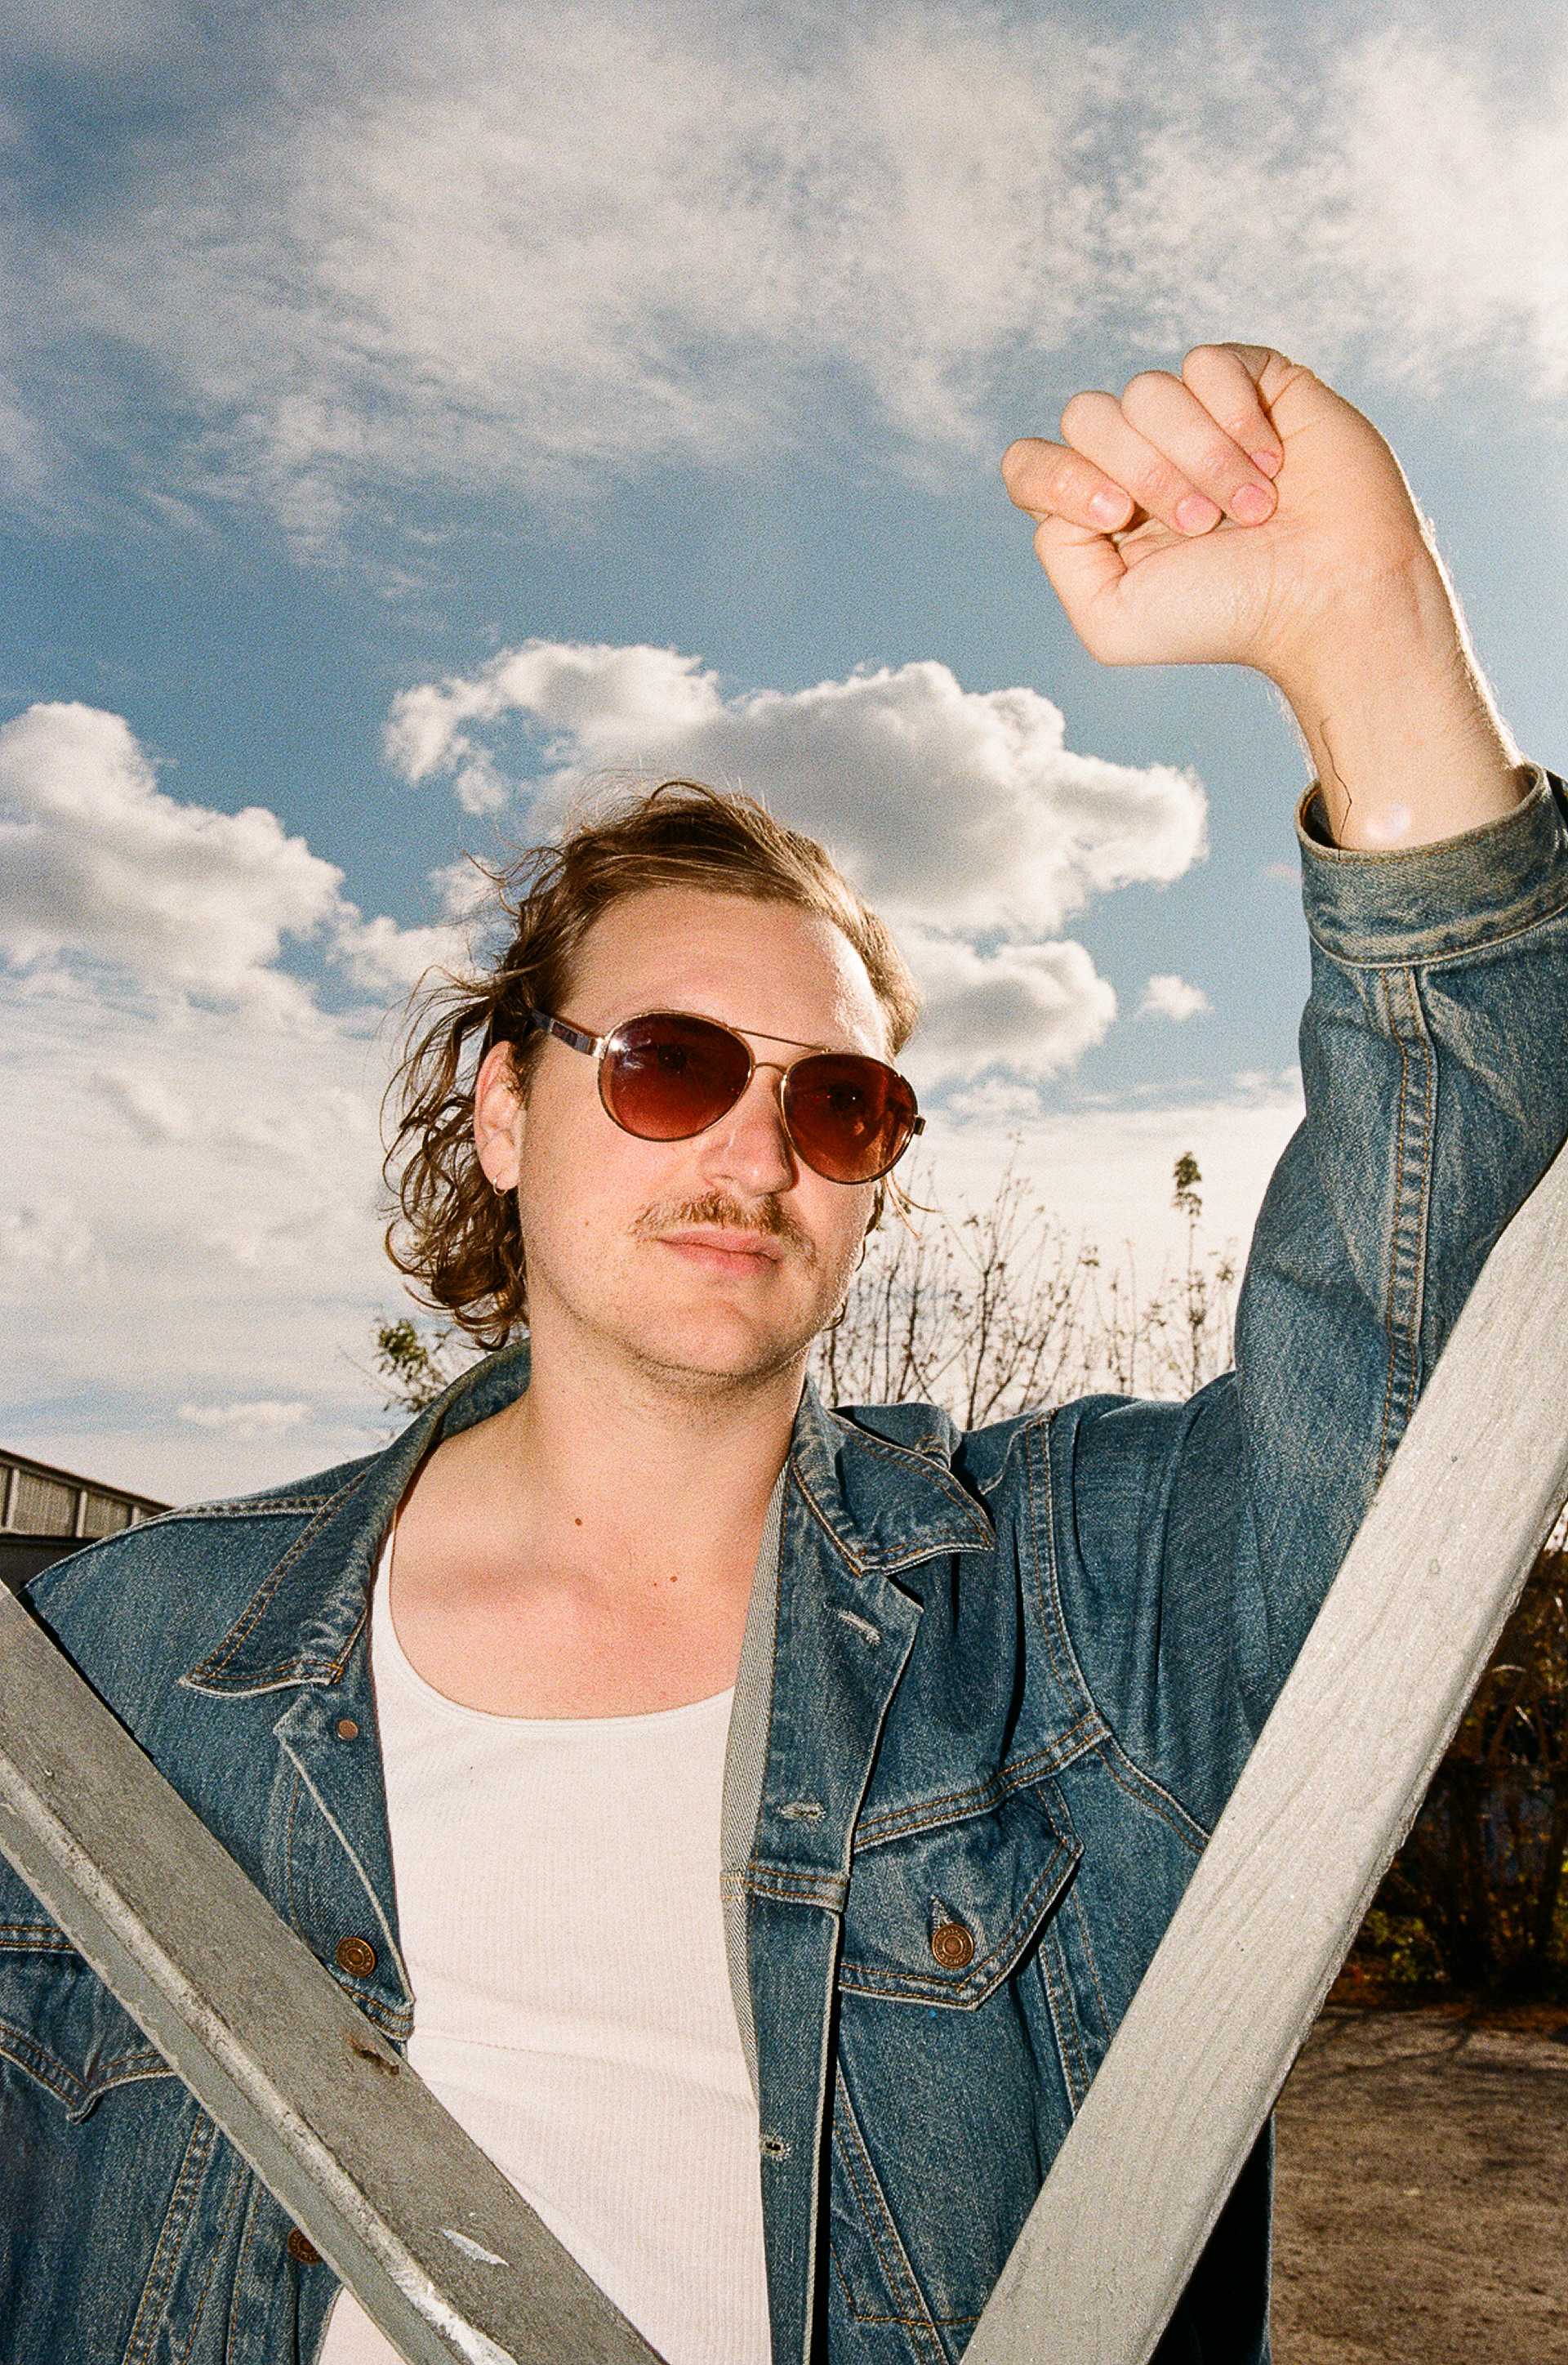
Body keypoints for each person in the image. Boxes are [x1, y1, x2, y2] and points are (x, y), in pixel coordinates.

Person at [3, 346, 1566, 2365]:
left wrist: (1366, 636)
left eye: (837, 1101)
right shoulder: (116, 1673)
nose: (756, 1151)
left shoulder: (1061, 1618)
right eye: (668, 1064)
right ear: (506, 1109)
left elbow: (1450, 1349)